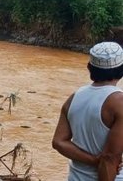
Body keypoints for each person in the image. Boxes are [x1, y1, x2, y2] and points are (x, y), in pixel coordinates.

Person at [52, 42, 123, 180]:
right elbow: (109, 158)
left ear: (90, 68)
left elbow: (59, 142)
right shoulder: (119, 102)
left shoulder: (74, 97)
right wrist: (100, 161)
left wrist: (93, 160)